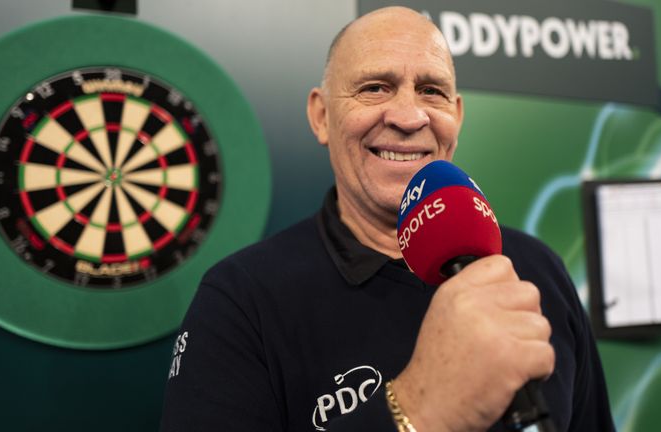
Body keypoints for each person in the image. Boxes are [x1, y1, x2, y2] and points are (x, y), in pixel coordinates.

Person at [160, 6, 614, 432]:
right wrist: (417, 407)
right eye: (374, 87)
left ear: (455, 117)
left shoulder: (537, 271)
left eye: (431, 91)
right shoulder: (240, 301)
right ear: (321, 116)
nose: (408, 116)